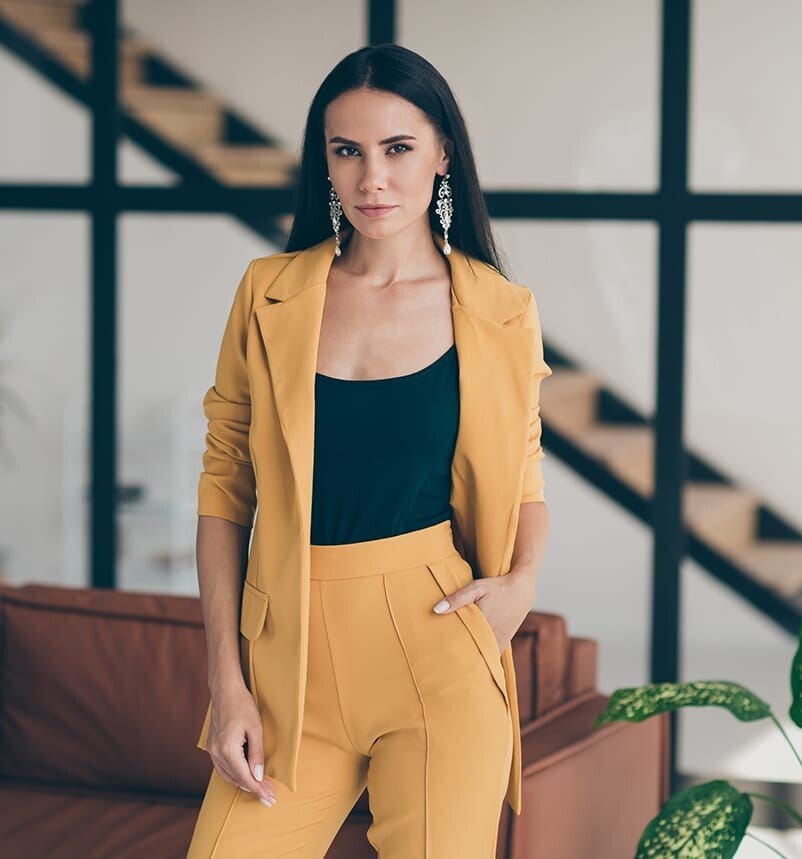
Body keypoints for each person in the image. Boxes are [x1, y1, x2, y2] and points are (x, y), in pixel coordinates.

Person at [187, 43, 551, 859]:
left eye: (397, 149)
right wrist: (226, 680)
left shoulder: (500, 309)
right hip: (288, 660)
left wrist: (522, 583)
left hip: (437, 646)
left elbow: (524, 467)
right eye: (345, 150)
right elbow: (223, 490)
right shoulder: (268, 293)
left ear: (443, 154)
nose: (370, 179)